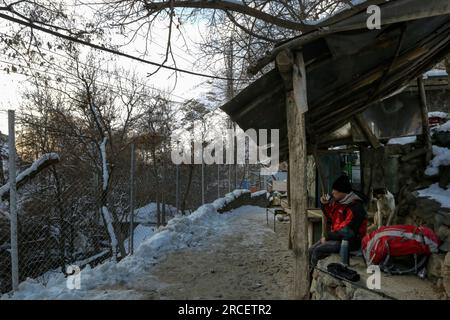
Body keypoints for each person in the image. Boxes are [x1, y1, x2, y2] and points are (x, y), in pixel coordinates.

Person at [309, 174, 368, 269]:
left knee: (318, 250)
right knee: (310, 250)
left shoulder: (356, 208)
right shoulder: (340, 202)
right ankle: (309, 275)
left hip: (350, 241)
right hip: (336, 237)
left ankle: (313, 272)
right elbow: (331, 217)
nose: (332, 193)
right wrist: (325, 205)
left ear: (342, 191)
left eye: (334, 190)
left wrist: (328, 237)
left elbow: (347, 231)